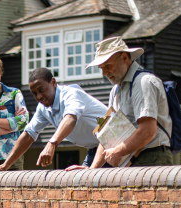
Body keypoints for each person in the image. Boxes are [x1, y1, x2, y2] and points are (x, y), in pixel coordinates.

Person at [0, 67, 108, 179]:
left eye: (41, 90)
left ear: (53, 82)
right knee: (85, 184)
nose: (39, 97)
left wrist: (52, 143)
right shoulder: (43, 108)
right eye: (34, 93)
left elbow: (70, 118)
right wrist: (5, 165)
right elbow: (28, 134)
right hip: (95, 148)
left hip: (116, 137)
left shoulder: (71, 94)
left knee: (98, 182)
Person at [73, 36, 173, 169]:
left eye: (108, 66)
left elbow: (148, 131)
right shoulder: (115, 90)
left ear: (125, 58)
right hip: (130, 161)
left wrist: (118, 151)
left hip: (152, 157)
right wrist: (92, 170)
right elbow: (108, 134)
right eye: (101, 68)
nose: (104, 73)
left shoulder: (144, 82)